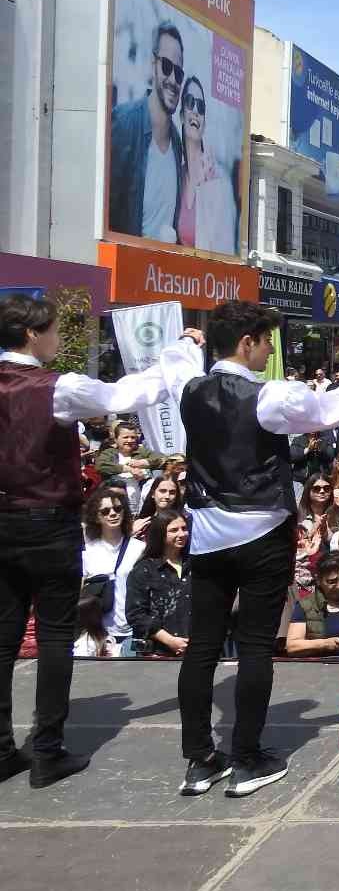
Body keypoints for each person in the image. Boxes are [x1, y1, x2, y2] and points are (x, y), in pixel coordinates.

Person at [161, 300, 339, 799]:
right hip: (260, 533)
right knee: (253, 646)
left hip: (205, 532)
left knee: (202, 646)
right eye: (266, 341)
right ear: (247, 343)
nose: (269, 350)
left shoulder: (189, 387)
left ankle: (200, 759)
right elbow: (335, 406)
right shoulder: (267, 397)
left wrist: (186, 342)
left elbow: (176, 361)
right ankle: (246, 757)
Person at [1, 294, 195, 788]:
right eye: (52, 331)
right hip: (46, 521)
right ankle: (46, 750)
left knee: (3, 637)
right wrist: (175, 353)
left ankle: (2, 748)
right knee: (53, 635)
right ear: (32, 335)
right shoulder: (56, 387)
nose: (58, 339)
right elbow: (124, 396)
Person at [108, 20, 184, 239]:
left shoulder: (177, 144)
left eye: (178, 73)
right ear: (153, 65)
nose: (173, 79)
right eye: (167, 67)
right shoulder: (125, 122)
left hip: (163, 271)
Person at [80, 486, 145, 657]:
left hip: (132, 631)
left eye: (117, 508)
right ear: (96, 516)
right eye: (105, 511)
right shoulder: (87, 551)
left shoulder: (139, 548)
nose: (113, 514)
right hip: (98, 633)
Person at [175, 76, 237, 253]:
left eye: (201, 107)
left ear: (204, 123)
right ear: (181, 115)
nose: (195, 110)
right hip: (175, 278)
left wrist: (206, 191)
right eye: (189, 102)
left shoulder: (218, 180)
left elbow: (224, 249)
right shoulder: (176, 176)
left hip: (207, 278)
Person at [124, 509, 194, 658]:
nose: (181, 534)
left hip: (194, 651)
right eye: (174, 530)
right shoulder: (143, 570)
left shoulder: (196, 565)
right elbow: (136, 615)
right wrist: (170, 641)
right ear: (160, 534)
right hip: (155, 654)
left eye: (184, 528)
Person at [285, 553, 339, 659]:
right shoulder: (306, 605)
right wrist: (324, 644)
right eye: (331, 582)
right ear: (319, 580)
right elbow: (292, 646)